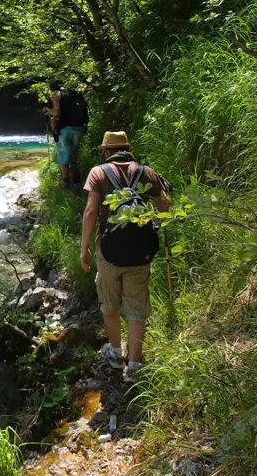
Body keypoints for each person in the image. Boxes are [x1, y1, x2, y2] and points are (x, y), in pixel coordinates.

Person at [80, 131, 170, 382]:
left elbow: (90, 211)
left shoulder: (98, 173)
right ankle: (134, 366)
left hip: (108, 251)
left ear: (107, 151)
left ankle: (116, 354)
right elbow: (165, 207)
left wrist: (84, 249)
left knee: (110, 304)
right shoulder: (147, 172)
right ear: (128, 149)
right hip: (141, 252)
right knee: (136, 306)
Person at [43, 82, 89, 189]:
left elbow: (57, 112)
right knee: (74, 154)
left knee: (63, 156)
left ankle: (66, 183)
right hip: (80, 128)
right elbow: (86, 88)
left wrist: (48, 111)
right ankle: (76, 181)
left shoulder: (57, 94)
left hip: (65, 129)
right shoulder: (77, 92)